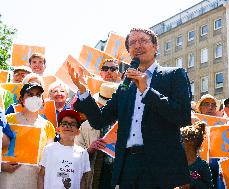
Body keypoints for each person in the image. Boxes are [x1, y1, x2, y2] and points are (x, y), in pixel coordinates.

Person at [68, 27, 192, 188]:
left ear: (155, 47)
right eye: (132, 43)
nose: (137, 45)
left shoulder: (174, 75)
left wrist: (146, 91)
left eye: (143, 41)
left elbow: (182, 116)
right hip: (128, 165)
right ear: (129, 52)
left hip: (160, 165)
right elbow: (99, 120)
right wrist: (83, 91)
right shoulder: (125, 87)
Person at [0, 82, 55, 189]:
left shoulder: (48, 126)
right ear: (21, 100)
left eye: (38, 95)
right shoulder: (7, 120)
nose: (34, 98)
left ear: (42, 101)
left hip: (32, 182)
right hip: (7, 182)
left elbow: (48, 160)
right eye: (30, 94)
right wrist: (1, 166)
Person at [75, 82, 118, 189]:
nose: (106, 110)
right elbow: (74, 156)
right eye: (102, 106)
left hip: (117, 177)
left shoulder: (127, 125)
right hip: (93, 177)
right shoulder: (85, 126)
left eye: (110, 107)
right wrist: (90, 150)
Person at [38, 109, 90, 189]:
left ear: (78, 131)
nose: (67, 126)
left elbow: (83, 180)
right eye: (64, 123)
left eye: (72, 124)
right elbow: (41, 174)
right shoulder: (49, 149)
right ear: (58, 129)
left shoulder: (83, 153)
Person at [179, 121, 214, 189]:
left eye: (182, 141)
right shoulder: (177, 163)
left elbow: (209, 187)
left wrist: (192, 182)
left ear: (191, 142)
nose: (179, 144)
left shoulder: (202, 165)